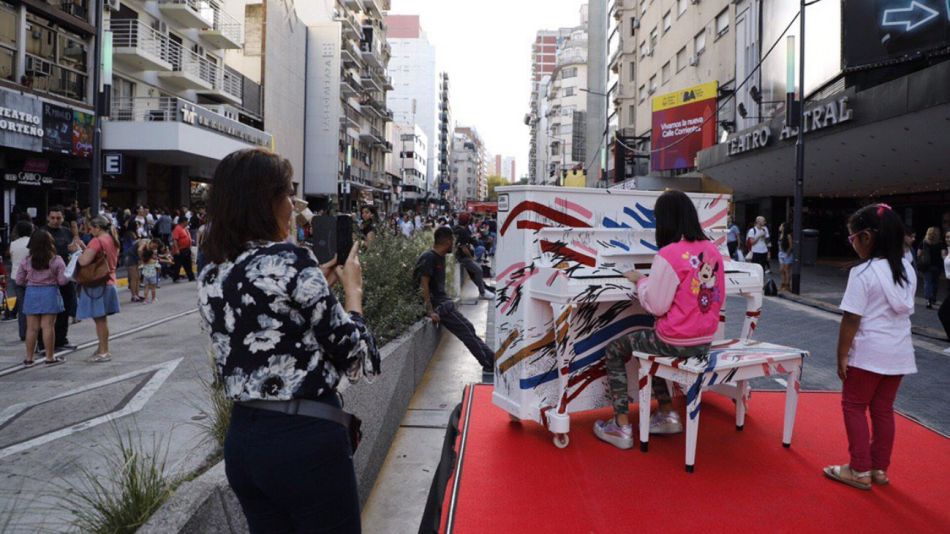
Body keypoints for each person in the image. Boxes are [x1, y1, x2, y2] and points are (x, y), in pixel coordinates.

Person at [199, 148, 379, 533]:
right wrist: (354, 295)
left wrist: (315, 290)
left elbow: (266, 321)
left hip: (244, 441)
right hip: (304, 441)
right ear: (269, 202)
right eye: (289, 195)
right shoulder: (292, 260)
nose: (293, 208)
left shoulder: (212, 271)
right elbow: (355, 354)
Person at [593, 190, 725, 449]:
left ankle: (620, 425)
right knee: (650, 343)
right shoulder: (712, 250)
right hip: (703, 342)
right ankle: (666, 413)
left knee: (616, 349)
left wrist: (641, 280)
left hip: (674, 341)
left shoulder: (669, 254)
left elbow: (656, 306)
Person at [823, 204, 916, 490]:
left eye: (852, 238)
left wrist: (842, 355)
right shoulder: (907, 270)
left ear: (866, 237)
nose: (852, 244)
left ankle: (859, 468)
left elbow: (851, 318)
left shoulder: (863, 273)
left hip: (868, 353)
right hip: (899, 353)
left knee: (854, 406)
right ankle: (879, 468)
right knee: (883, 410)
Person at [415, 227, 495, 377]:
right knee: (466, 331)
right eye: (453, 241)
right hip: (439, 306)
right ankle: (489, 364)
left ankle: (492, 358)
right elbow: (423, 284)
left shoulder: (439, 256)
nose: (454, 244)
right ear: (447, 241)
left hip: (444, 302)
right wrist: (430, 310)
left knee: (468, 327)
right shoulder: (429, 257)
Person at [16, 230, 68, 366]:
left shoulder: (26, 260)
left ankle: (29, 358)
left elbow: (19, 280)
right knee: (48, 327)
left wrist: (30, 282)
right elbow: (63, 281)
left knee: (31, 328)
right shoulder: (56, 260)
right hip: (50, 293)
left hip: (31, 293)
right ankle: (49, 357)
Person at [75, 215, 121, 363]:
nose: (89, 231)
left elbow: (84, 261)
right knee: (102, 319)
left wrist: (77, 252)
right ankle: (102, 347)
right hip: (109, 281)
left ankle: (103, 351)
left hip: (98, 283)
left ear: (98, 227)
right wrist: (85, 248)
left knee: (100, 320)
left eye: (91, 228)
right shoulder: (112, 239)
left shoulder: (96, 241)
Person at [41, 206, 78, 350]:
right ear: (48, 218)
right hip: (47, 277)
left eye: (58, 218)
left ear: (63, 218)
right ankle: (43, 342)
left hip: (64, 276)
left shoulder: (67, 232)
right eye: (53, 218)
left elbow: (73, 250)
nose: (55, 221)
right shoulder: (41, 232)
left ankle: (62, 339)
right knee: (47, 311)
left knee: (65, 308)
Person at [453, 212, 494, 300]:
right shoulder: (462, 232)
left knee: (474, 273)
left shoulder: (459, 229)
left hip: (461, 256)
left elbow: (469, 241)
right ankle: (482, 293)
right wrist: (472, 258)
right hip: (463, 257)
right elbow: (464, 248)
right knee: (478, 270)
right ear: (467, 221)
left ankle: (484, 289)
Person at [9, 221, 33, 341]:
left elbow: (12, 259)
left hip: (15, 276)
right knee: (32, 305)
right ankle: (33, 330)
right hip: (30, 277)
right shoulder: (32, 243)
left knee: (21, 305)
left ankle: (23, 332)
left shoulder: (13, 244)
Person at [917, 226, 945, 308]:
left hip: (926, 266)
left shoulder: (924, 242)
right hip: (937, 266)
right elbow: (943, 255)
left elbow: (918, 254)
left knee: (927, 282)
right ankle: (933, 298)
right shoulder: (941, 243)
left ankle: (928, 300)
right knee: (935, 282)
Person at [122, 218, 144, 302]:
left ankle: (137, 294)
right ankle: (134, 295)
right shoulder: (129, 234)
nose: (138, 226)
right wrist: (139, 240)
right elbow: (132, 244)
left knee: (137, 277)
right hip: (130, 256)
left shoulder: (134, 233)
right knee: (134, 277)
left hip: (134, 255)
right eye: (137, 224)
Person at [170, 216, 195, 282]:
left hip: (186, 248)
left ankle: (191, 277)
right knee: (178, 264)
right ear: (183, 222)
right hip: (180, 249)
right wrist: (177, 249)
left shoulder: (184, 228)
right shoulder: (177, 229)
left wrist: (190, 241)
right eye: (187, 221)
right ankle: (175, 278)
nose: (187, 223)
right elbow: (175, 240)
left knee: (188, 264)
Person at [939, 231, 950, 343]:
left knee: (942, 312)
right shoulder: (947, 250)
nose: (948, 239)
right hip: (948, 284)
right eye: (946, 237)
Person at [778, 220, 794, 292]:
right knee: (781, 270)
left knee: (786, 270)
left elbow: (791, 245)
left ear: (784, 227)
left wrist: (788, 253)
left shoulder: (788, 235)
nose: (780, 227)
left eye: (781, 226)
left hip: (787, 253)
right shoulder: (780, 235)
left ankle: (787, 285)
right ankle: (783, 283)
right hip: (780, 253)